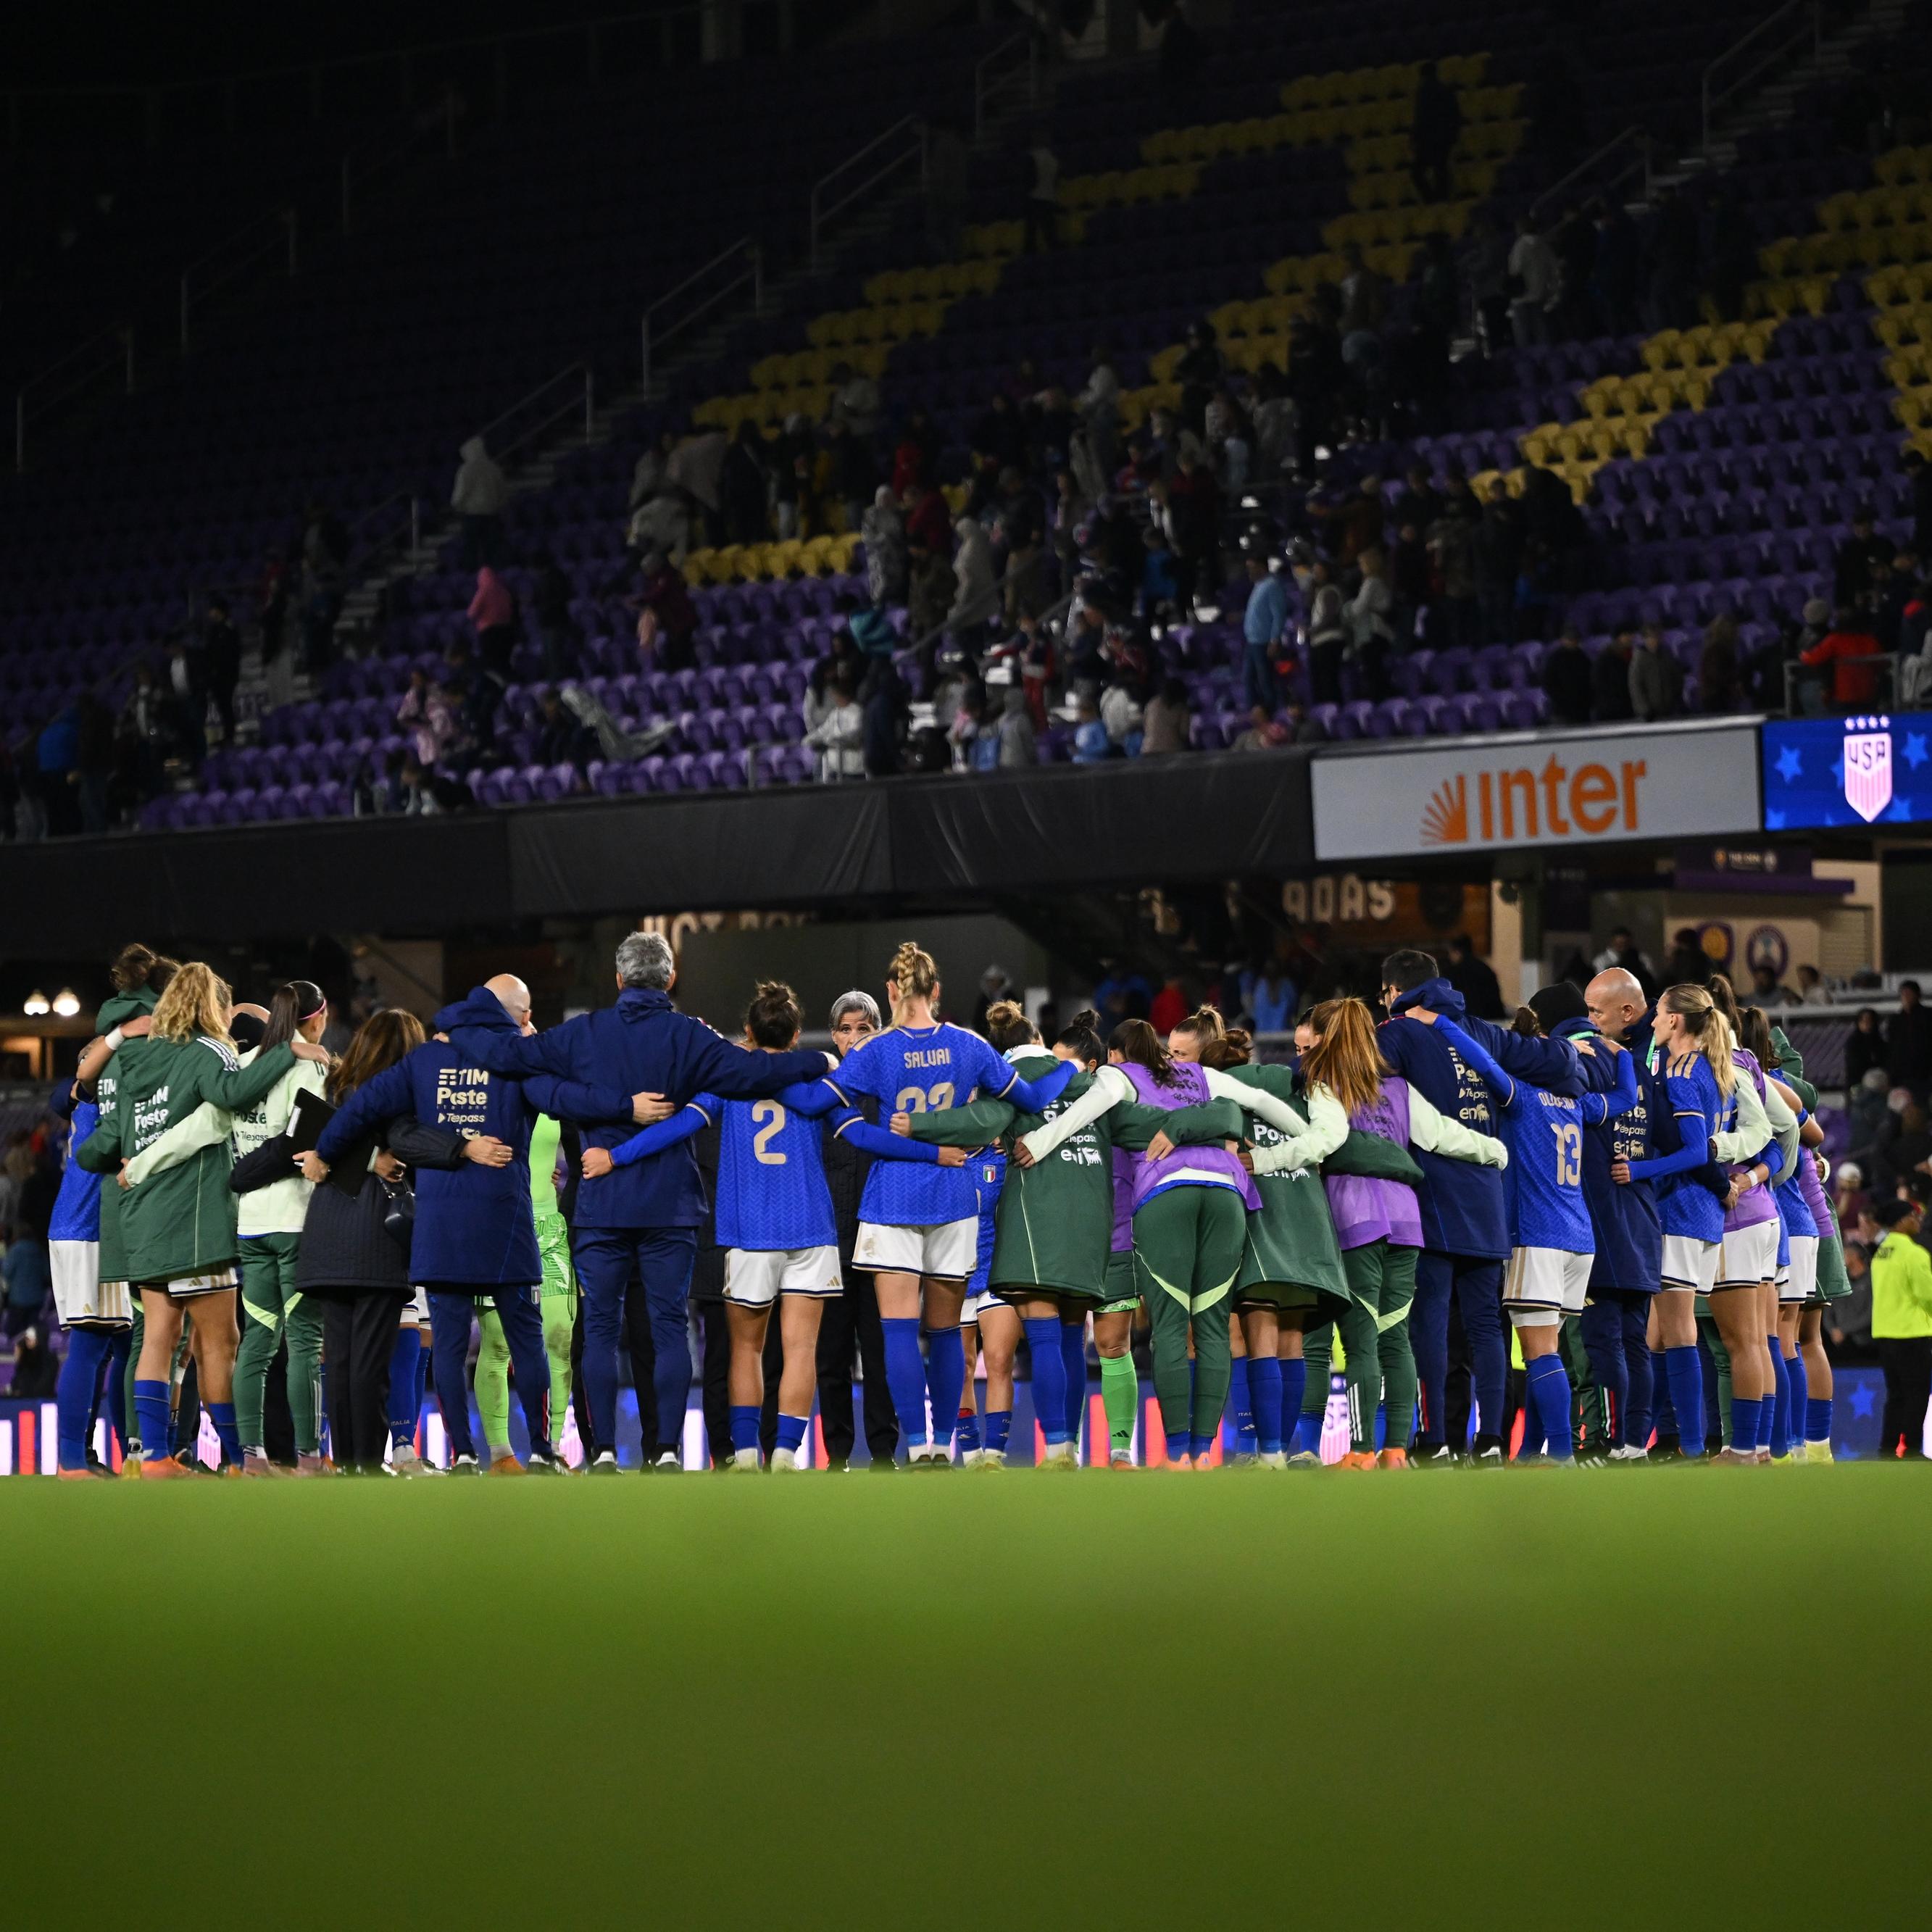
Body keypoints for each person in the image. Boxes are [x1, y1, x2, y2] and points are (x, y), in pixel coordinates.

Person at [438, 934, 833, 1472]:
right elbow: (753, 1075)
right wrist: (818, 1061)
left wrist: (457, 1021)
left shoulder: (583, 1034)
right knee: (670, 1327)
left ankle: (601, 1451)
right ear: (669, 980)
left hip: (602, 1201)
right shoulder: (690, 1036)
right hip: (669, 1204)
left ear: (619, 980)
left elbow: (508, 1056)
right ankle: (667, 1449)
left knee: (599, 1327)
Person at [594, 982, 944, 1470]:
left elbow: (676, 1129)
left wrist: (615, 1155)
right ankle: (784, 1451)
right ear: (798, 1034)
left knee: (746, 1347)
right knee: (801, 1350)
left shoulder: (724, 1082)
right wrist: (934, 1152)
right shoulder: (820, 1084)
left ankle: (743, 1454)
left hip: (748, 1231)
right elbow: (863, 1135)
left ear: (749, 1032)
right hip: (811, 1230)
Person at [317, 975, 647, 1473]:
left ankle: (465, 1453)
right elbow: (568, 1099)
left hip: (442, 1223)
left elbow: (363, 1107)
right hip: (504, 1220)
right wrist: (627, 1107)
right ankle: (539, 1449)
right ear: (512, 1015)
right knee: (526, 1341)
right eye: (527, 1013)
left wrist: (325, 1151)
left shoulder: (424, 1061)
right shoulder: (513, 1063)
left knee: (449, 1346)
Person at [901, 1005, 1241, 1466]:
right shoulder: (1100, 1093)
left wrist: (916, 1125)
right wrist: (1213, 1125)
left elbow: (978, 1122)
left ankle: (1073, 1446)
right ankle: (1093, 1449)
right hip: (1095, 1240)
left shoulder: (1021, 1089)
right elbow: (1151, 1124)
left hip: (1059, 1236)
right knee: (1076, 1344)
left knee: (1066, 1344)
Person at [806, 943, 1075, 1462]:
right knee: (948, 1332)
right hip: (955, 1195)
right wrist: (1072, 1069)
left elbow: (820, 1102)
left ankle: (916, 1445)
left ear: (891, 991)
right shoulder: (969, 1045)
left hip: (892, 1197)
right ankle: (944, 1442)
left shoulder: (873, 1052)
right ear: (937, 992)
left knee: (899, 1331)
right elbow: (1036, 1100)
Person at [76, 964, 326, 1475]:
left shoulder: (136, 1060)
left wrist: (126, 1165)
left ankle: (152, 1456)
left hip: (140, 1213)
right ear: (213, 1004)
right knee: (221, 1343)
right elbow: (228, 1100)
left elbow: (111, 1138)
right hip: (193, 1214)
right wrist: (285, 1050)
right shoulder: (209, 1050)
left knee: (159, 1337)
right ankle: (239, 1460)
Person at [1412, 989, 1638, 1463]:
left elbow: (1485, 1062)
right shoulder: (1579, 1102)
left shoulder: (1523, 1098)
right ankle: (1535, 1448)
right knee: (1549, 1351)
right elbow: (1625, 1097)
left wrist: (1443, 1026)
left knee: (1540, 1354)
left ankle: (1561, 1453)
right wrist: (1623, 1058)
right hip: (1581, 1239)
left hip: (1537, 1236)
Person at [1378, 948, 1583, 1462]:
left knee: (1430, 1322)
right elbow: (1561, 1062)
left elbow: (1350, 1072)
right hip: (1489, 1200)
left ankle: (1434, 1441)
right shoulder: (1482, 1032)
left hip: (1433, 1196)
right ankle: (1490, 1440)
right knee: (1486, 1327)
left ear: (1393, 992)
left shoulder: (1399, 1033)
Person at [815, 993, 899, 1469]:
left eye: (863, 1028)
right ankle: (839, 1454)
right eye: (845, 1029)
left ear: (878, 1030)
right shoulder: (820, 1092)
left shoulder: (890, 1090)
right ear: (833, 1035)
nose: (853, 1038)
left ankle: (884, 1452)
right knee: (831, 1358)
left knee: (882, 1353)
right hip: (829, 1243)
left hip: (883, 1242)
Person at [49, 1040, 130, 1475]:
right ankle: (70, 1460)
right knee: (91, 1342)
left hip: (96, 1229)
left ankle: (131, 1456)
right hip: (88, 1230)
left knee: (125, 1344)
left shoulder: (92, 1096)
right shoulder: (100, 1097)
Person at [1865, 1196, 1932, 1457]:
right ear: (1901, 1221)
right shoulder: (1913, 1253)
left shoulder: (1881, 1252)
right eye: (1913, 1216)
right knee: (1916, 1394)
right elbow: (1927, 1294)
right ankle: (1913, 1448)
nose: (1917, 1221)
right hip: (1911, 1331)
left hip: (1885, 1331)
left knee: (1896, 1395)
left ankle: (1888, 1447)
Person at [1799, 607, 1883, 710]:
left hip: (1845, 695)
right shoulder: (1870, 640)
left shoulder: (1835, 640)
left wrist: (1803, 654)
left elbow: (1812, 658)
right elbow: (1882, 663)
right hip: (1868, 693)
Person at [1241, 545, 1288, 714]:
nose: (1249, 572)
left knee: (1265, 681)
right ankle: (1255, 713)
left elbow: (1278, 614)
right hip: (1252, 641)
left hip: (1263, 642)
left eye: (1252, 568)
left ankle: (1270, 712)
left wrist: (1274, 640)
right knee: (1248, 679)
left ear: (1262, 567)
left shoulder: (1272, 585)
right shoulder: (1258, 586)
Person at [451, 435, 508, 567]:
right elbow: (502, 492)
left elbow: (461, 492)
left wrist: (457, 506)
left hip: (472, 515)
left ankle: (472, 575)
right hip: (492, 515)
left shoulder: (466, 469)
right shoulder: (494, 468)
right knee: (491, 549)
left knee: (471, 548)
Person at [1886, 980, 1932, 1093]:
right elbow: (1892, 1047)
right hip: (1902, 1075)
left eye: (1909, 993)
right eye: (1903, 994)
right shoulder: (1896, 1020)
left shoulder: (1928, 1016)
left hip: (1925, 1074)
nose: (1906, 997)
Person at [1541, 626, 1592, 725]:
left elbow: (1590, 681)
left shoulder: (1583, 658)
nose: (1572, 642)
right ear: (1562, 640)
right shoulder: (1555, 659)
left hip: (1582, 710)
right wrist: (1561, 700)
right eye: (1569, 639)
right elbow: (1548, 683)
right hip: (1562, 711)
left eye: (1574, 639)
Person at [1023, 131, 1062, 253]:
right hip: (1049, 198)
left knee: (1031, 235)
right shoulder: (1054, 160)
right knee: (1050, 234)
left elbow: (1030, 179)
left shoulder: (1032, 156)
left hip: (1035, 197)